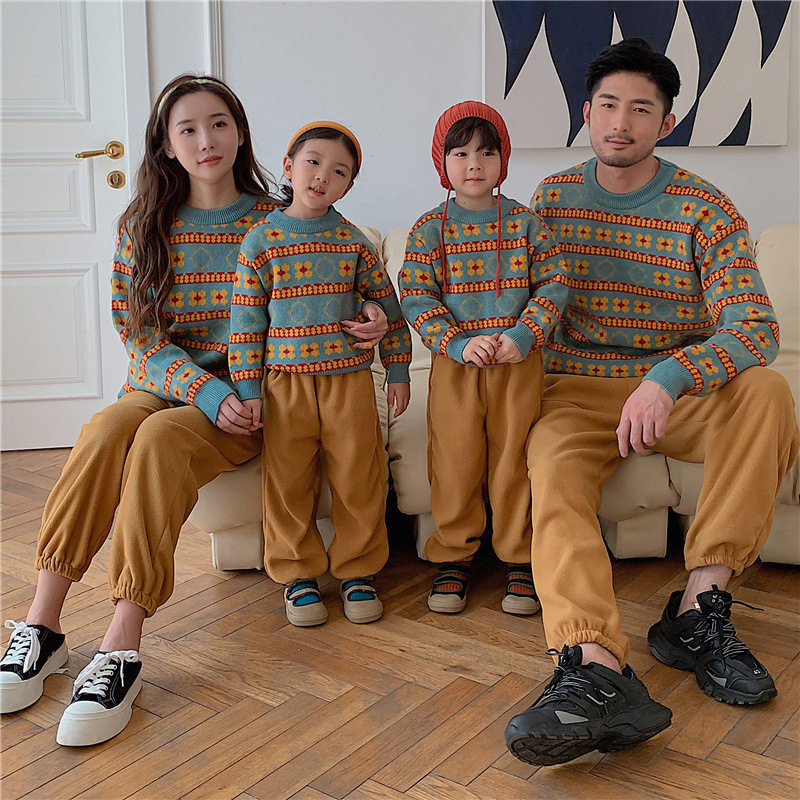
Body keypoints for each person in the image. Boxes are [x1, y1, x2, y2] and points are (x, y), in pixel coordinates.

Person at [0, 77, 388, 747]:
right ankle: (43, 624)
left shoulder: (278, 220)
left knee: (157, 441)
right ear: (166, 144)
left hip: (249, 398)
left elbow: (336, 289)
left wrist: (376, 317)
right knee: (108, 428)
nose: (206, 140)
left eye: (218, 124)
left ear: (240, 133)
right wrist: (203, 389)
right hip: (170, 385)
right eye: (188, 128)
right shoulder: (143, 225)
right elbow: (139, 336)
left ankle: (121, 646)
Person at [505, 38, 800, 766]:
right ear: (586, 112)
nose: (621, 121)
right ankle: (594, 665)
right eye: (608, 105)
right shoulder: (550, 201)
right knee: (550, 464)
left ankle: (698, 610)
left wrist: (669, 377)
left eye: (641, 109)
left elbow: (756, 327)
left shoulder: (704, 206)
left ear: (665, 124)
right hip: (576, 391)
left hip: (676, 390)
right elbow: (513, 301)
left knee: (767, 390)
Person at [229, 121, 411, 627]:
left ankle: (358, 570)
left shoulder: (352, 241)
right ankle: (297, 573)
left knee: (359, 476)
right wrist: (248, 389)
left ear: (348, 186)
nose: (322, 176)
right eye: (313, 162)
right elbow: (245, 323)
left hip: (348, 381)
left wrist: (398, 369)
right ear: (289, 166)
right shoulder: (260, 242)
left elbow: (388, 308)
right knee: (288, 480)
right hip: (283, 385)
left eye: (339, 172)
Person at [399, 101, 568, 616]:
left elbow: (554, 285)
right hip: (456, 369)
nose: (474, 163)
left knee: (515, 459)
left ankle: (520, 556)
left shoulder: (526, 224)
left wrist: (524, 334)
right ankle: (455, 554)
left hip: (518, 366)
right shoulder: (429, 229)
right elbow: (416, 296)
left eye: (487, 152)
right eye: (461, 153)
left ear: (503, 160)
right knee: (455, 461)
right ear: (442, 161)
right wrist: (455, 341)